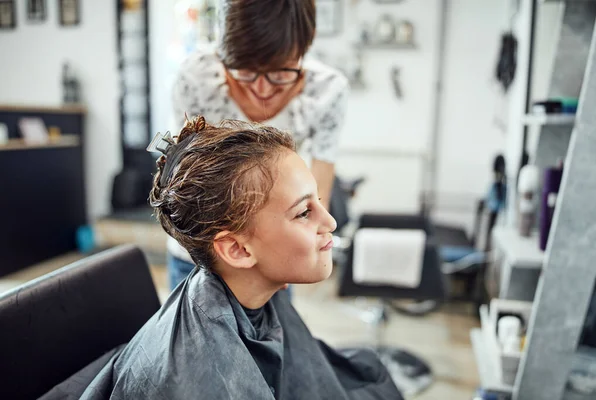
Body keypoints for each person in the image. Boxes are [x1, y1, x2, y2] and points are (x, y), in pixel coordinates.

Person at [81, 116, 402, 399]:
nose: (330, 222)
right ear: (237, 250)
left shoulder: (254, 291)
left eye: (318, 201)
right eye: (304, 212)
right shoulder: (197, 379)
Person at [167, 0, 349, 289]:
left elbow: (320, 179)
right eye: (244, 72)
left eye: (280, 74)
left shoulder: (326, 91)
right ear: (222, 54)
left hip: (275, 253)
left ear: (308, 40)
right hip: (200, 253)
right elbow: (185, 177)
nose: (261, 89)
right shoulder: (196, 78)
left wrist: (299, 245)